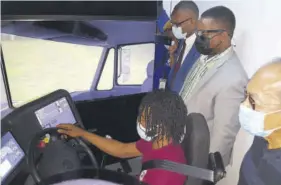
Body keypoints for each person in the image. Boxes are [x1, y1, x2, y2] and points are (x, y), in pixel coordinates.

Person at [57, 90, 187, 185]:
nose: (139, 121)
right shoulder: (161, 141)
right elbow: (122, 149)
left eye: (143, 119)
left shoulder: (163, 176)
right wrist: (82, 133)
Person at [179, 6, 248, 167]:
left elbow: (224, 133)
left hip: (199, 156)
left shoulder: (234, 78)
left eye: (206, 33)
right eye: (199, 32)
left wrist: (207, 170)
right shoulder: (206, 56)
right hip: (182, 144)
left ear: (223, 35)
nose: (199, 37)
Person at [167, 0, 200, 93]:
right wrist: (172, 56)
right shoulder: (181, 41)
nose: (174, 28)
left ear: (192, 22)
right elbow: (177, 71)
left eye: (177, 24)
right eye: (172, 23)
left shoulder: (201, 51)